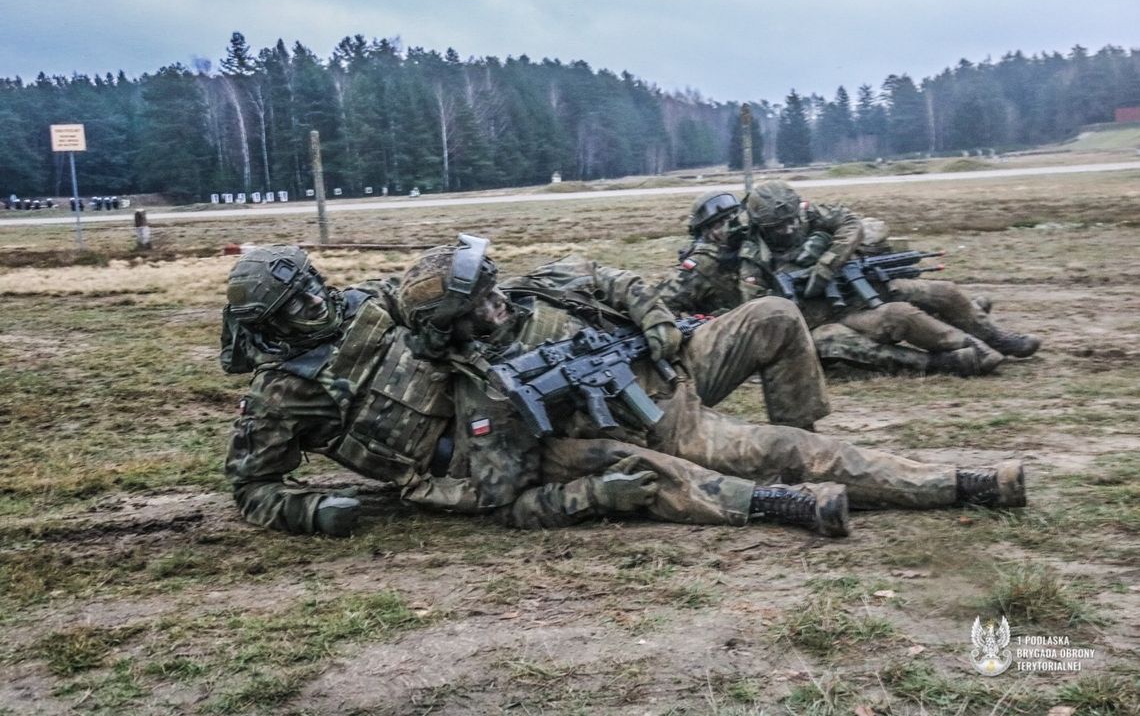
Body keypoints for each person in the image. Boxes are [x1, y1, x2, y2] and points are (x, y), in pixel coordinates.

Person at [396, 235, 1027, 538]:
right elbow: (508, 504)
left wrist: (654, 322)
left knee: (777, 314)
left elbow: (613, 279)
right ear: (452, 324)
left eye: (490, 285)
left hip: (676, 362)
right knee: (782, 455)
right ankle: (961, 484)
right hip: (659, 422)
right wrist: (593, 493)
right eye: (478, 301)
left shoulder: (542, 287)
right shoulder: (488, 393)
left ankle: (803, 435)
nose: (496, 299)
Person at [219, 245, 848, 538]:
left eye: (313, 283)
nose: (316, 301)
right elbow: (250, 487)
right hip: (476, 462)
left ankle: (803, 445)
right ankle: (773, 501)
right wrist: (310, 512)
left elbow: (440, 296)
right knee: (641, 467)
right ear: (271, 323)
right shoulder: (282, 393)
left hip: (534, 397)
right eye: (297, 302)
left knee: (768, 319)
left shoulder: (368, 304)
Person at [662, 185, 1040, 377]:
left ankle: (994, 334)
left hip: (845, 290)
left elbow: (850, 224)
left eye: (730, 219)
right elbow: (754, 311)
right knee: (897, 317)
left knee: (940, 291)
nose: (725, 229)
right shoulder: (733, 258)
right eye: (716, 226)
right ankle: (964, 353)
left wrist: (826, 264)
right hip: (815, 320)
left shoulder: (790, 221)